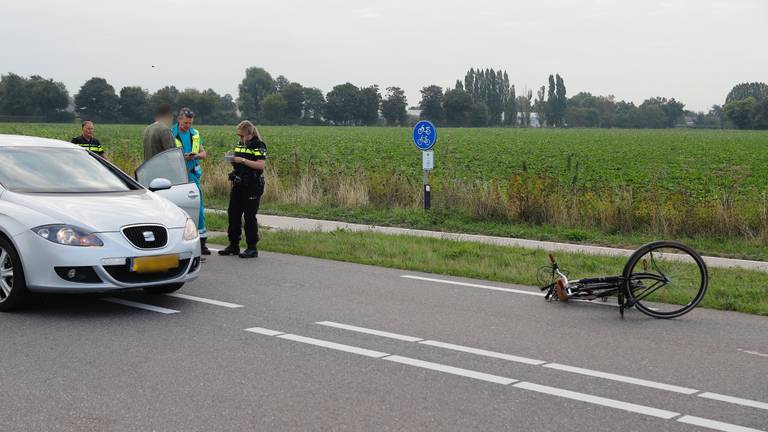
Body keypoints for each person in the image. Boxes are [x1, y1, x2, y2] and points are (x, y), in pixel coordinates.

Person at [218, 120, 266, 259]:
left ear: (249, 134)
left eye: (242, 136)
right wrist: (231, 159)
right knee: (233, 213)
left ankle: (252, 248)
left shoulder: (258, 145)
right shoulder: (240, 144)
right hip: (238, 183)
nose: (240, 139)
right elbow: (238, 160)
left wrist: (242, 161)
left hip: (252, 185)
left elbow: (260, 165)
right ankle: (233, 245)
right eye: (238, 136)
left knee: (249, 217)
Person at [171, 107, 210, 255]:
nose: (188, 126)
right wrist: (182, 158)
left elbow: (204, 153)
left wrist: (195, 156)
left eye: (190, 123)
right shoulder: (170, 134)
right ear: (179, 119)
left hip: (193, 175)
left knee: (198, 208)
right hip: (177, 176)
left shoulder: (195, 134)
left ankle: (202, 242)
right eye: (186, 123)